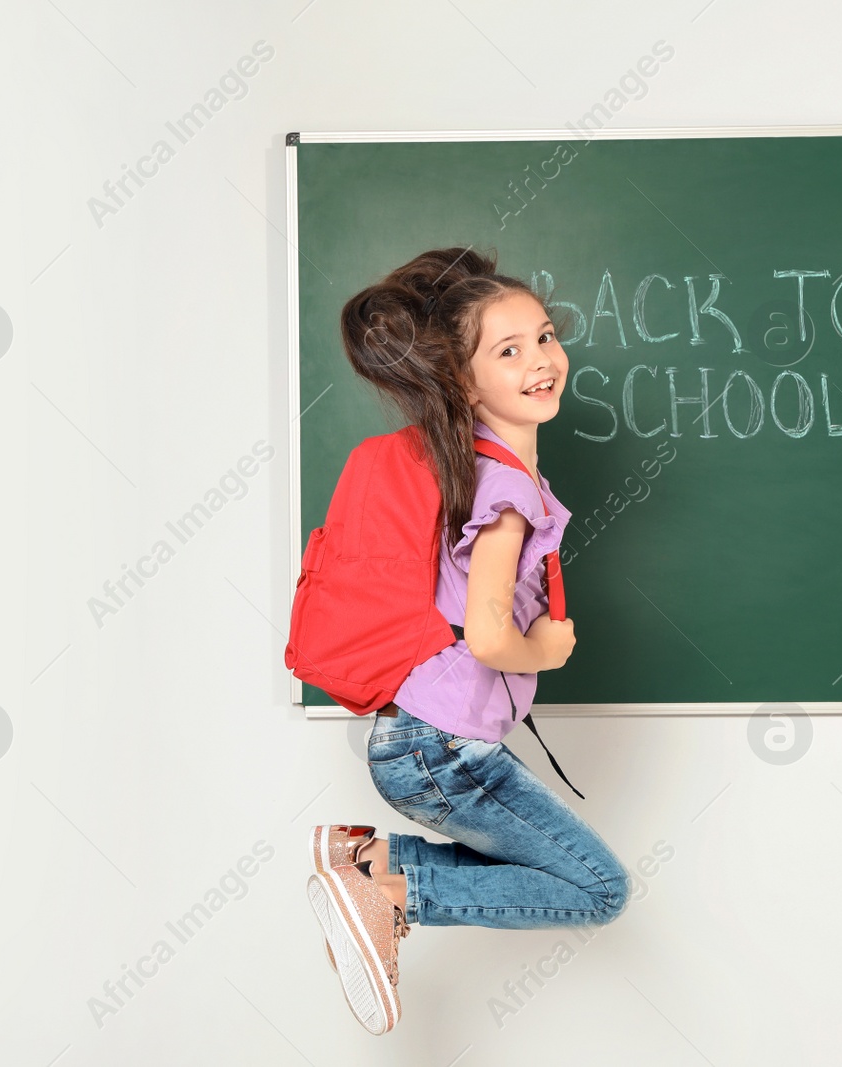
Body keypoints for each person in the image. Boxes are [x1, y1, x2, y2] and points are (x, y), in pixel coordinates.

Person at [304, 247, 630, 1036]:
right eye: (509, 351)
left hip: (427, 742)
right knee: (598, 888)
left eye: (545, 337)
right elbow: (488, 634)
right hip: (436, 747)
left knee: (575, 877)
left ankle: (368, 863)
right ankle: (382, 885)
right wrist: (546, 650)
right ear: (462, 379)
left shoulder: (482, 466)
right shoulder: (508, 490)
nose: (541, 361)